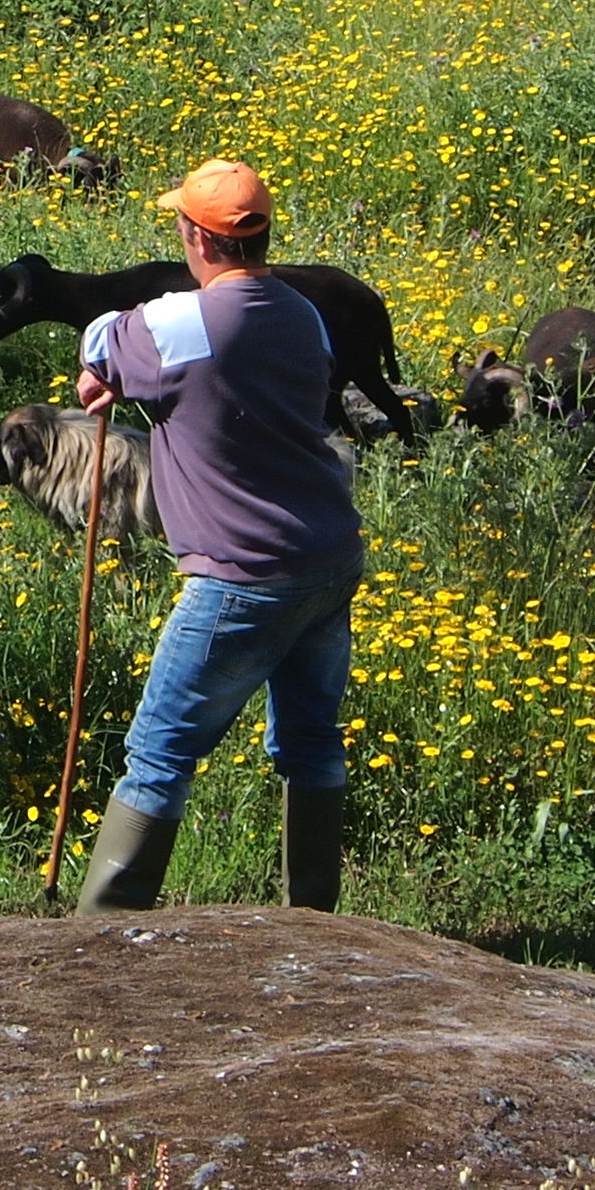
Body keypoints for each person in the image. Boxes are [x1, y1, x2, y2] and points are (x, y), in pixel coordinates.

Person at [65, 158, 364, 915]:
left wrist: (112, 372)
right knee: (311, 740)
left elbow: (99, 340)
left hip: (242, 574)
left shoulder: (180, 323)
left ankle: (103, 937)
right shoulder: (303, 314)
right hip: (329, 556)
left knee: (158, 754)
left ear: (197, 236)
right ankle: (314, 924)